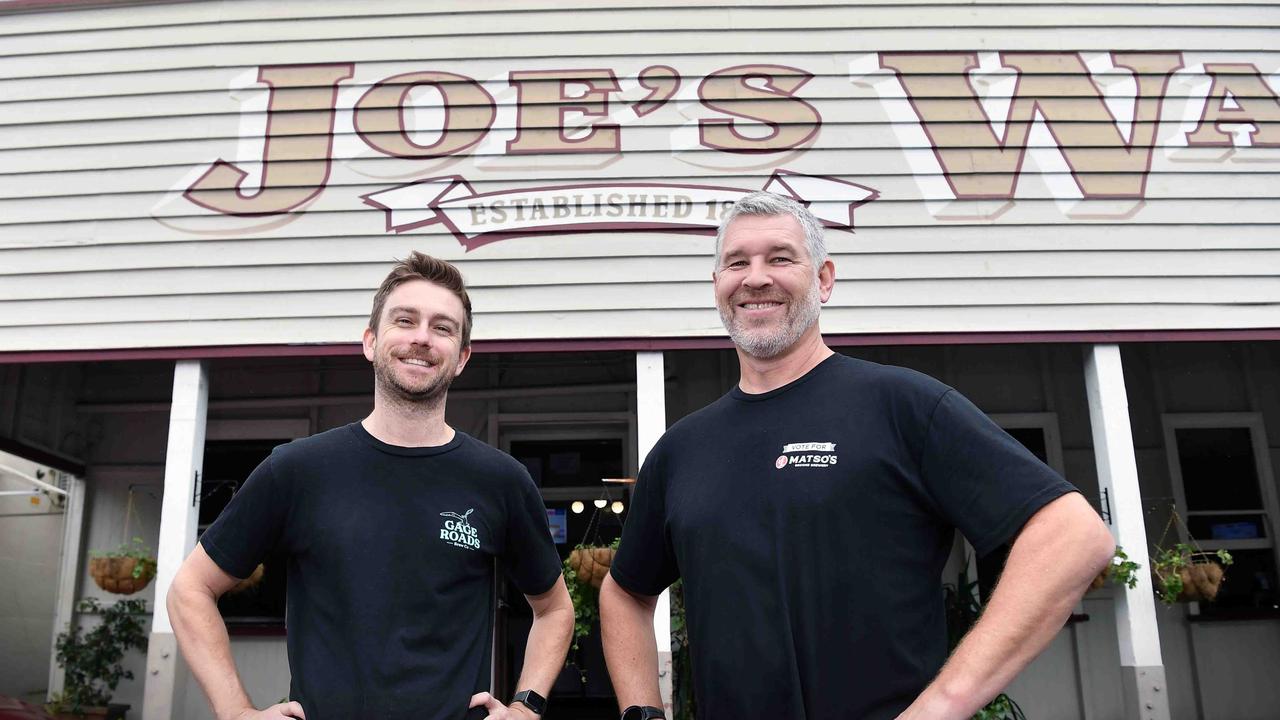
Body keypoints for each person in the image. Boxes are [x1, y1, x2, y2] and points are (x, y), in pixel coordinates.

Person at [599, 192, 1115, 720]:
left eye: (779, 258)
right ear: (718, 288)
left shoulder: (902, 406)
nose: (755, 278)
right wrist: (644, 713)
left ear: (823, 279)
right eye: (737, 262)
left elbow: (1074, 536)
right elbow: (624, 593)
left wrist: (944, 703)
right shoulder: (683, 450)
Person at [168, 253, 573, 720]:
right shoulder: (298, 470)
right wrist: (235, 710)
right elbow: (190, 589)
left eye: (443, 328)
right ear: (371, 341)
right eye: (405, 320)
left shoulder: (500, 480)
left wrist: (526, 707)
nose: (422, 337)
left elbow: (555, 610)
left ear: (461, 358)